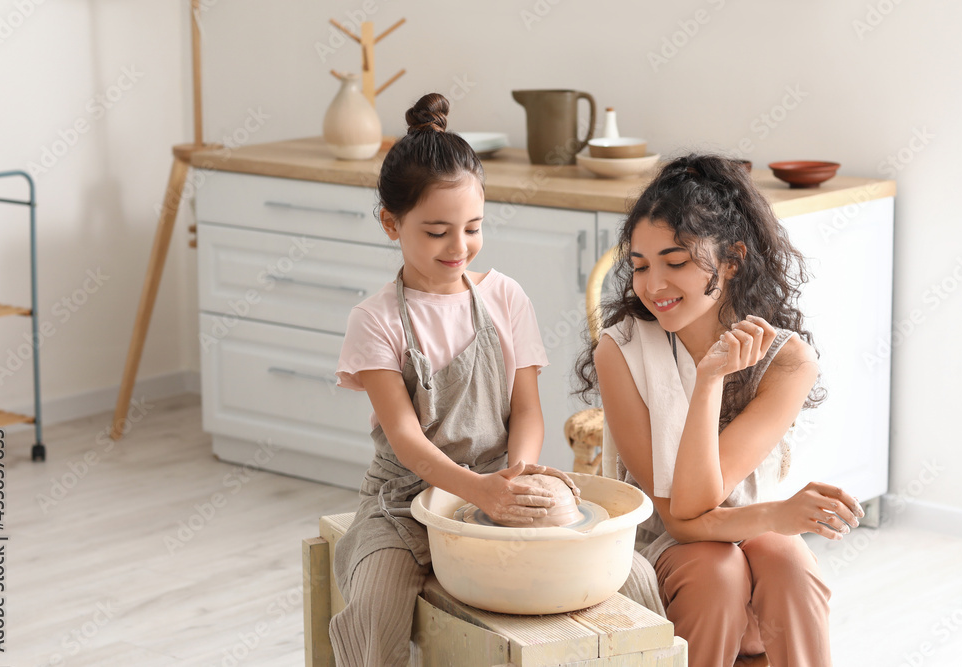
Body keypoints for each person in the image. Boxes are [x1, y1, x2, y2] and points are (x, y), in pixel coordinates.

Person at [576, 154, 866, 667]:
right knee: (717, 569)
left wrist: (775, 525)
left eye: (676, 261)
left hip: (756, 578)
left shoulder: (788, 362)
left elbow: (712, 507)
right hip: (660, 564)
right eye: (640, 266)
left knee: (786, 558)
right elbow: (682, 513)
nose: (653, 285)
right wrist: (710, 380)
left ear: (731, 259)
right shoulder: (620, 351)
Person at [330, 92, 570, 666]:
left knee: (622, 573)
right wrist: (476, 492)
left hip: (501, 476)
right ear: (391, 223)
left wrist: (513, 476)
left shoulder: (505, 295)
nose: (458, 247)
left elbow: (529, 409)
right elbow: (408, 442)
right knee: (376, 612)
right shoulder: (376, 320)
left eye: (472, 227)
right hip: (407, 496)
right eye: (437, 231)